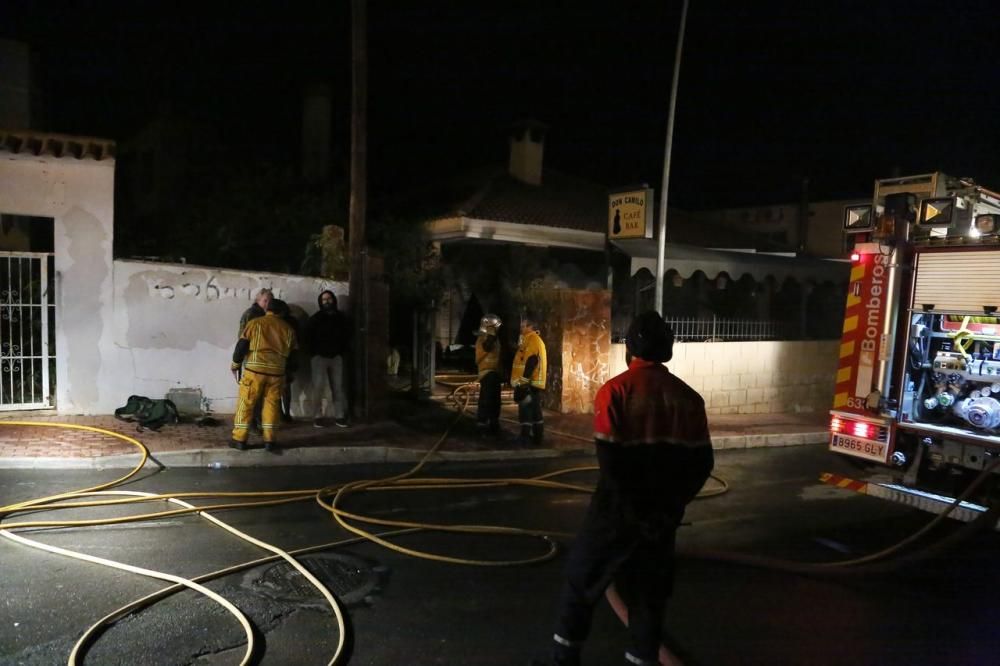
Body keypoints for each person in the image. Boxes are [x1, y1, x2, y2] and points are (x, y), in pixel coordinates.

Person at [536, 311, 715, 666]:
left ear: (631, 347)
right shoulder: (689, 400)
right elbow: (702, 464)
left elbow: (612, 463)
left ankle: (562, 661)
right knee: (648, 599)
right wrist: (668, 511)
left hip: (615, 516)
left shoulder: (615, 391)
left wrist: (634, 513)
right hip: (661, 520)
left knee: (580, 581)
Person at [229, 297, 298, 453]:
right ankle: (270, 440)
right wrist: (290, 374)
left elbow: (242, 346)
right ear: (282, 312)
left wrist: (235, 365)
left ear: (268, 310)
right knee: (272, 406)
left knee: (246, 404)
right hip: (277, 373)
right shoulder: (288, 330)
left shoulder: (255, 323)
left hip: (254, 372)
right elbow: (294, 356)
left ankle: (239, 439)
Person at [306, 289, 351, 428]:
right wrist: (314, 353)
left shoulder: (341, 318)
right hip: (319, 358)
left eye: (329, 298)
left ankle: (340, 416)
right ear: (320, 302)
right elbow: (308, 337)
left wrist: (341, 352)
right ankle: (318, 416)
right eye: (324, 299)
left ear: (334, 300)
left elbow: (347, 336)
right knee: (318, 388)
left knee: (338, 387)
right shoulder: (315, 318)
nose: (327, 301)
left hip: (336, 357)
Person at [511, 310, 547, 447]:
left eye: (523, 326)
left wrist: (523, 383)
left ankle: (525, 438)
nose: (521, 328)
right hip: (531, 383)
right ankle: (537, 437)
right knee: (535, 410)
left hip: (529, 383)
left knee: (526, 410)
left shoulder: (532, 340)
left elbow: (531, 361)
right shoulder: (530, 340)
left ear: (530, 327)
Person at [474, 314, 503, 437]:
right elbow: (487, 347)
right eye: (495, 327)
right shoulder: (484, 338)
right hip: (487, 372)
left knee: (495, 401)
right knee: (486, 400)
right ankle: (482, 426)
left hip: (494, 372)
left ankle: (493, 424)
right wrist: (492, 333)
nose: (497, 330)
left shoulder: (493, 338)